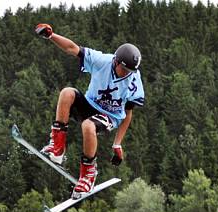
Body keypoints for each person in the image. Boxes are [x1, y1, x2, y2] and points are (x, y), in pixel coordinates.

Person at [34, 23, 145, 199]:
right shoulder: (102, 61)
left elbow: (128, 113)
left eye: (130, 71)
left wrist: (117, 143)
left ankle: (88, 175)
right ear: (115, 61)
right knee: (67, 93)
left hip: (110, 116)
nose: (126, 74)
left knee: (88, 126)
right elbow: (72, 48)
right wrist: (51, 36)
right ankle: (58, 147)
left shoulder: (133, 81)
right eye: (124, 69)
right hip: (89, 105)